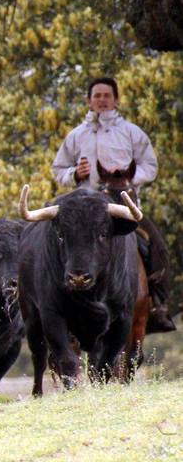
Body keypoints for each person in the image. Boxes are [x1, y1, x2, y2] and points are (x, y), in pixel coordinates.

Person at [51, 77, 174, 332]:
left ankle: (157, 306)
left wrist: (129, 178)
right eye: (97, 96)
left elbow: (150, 165)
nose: (102, 100)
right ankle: (47, 300)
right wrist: (75, 174)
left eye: (107, 95)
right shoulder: (76, 135)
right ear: (89, 100)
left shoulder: (132, 132)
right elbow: (58, 169)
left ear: (116, 100)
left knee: (157, 246)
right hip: (86, 208)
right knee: (51, 239)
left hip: (124, 204)